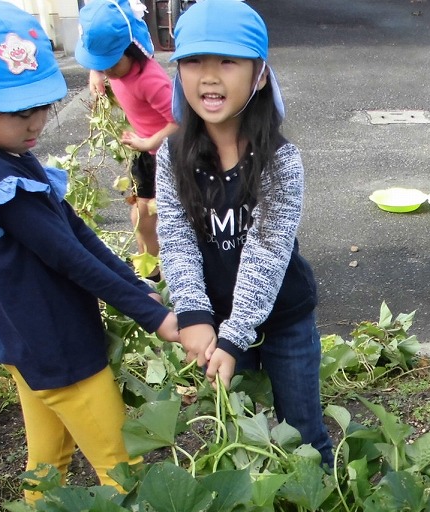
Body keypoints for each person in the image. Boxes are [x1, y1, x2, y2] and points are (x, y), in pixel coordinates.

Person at [0, 0, 180, 499]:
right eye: (21, 111)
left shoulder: (2, 155)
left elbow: (75, 232)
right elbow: (70, 257)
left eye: (42, 105)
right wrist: (155, 318)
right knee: (122, 469)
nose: (37, 122)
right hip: (58, 346)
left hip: (27, 338)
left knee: (48, 462)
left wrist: (136, 286)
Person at [155, 0, 333, 467]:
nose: (209, 77)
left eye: (227, 62)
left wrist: (235, 337)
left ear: (259, 74)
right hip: (216, 323)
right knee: (245, 434)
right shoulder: (171, 157)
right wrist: (193, 311)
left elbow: (268, 252)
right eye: (193, 61)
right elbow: (175, 237)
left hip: (282, 319)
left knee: (304, 433)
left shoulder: (280, 160)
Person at [75, 0, 178, 259]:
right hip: (144, 150)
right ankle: (147, 266)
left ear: (132, 50)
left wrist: (149, 142)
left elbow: (180, 123)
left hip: (162, 155)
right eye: (101, 64)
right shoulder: (116, 67)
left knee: (147, 217)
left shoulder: (151, 81)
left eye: (110, 64)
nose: (107, 70)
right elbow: (102, 61)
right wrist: (96, 72)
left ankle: (155, 273)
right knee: (138, 216)